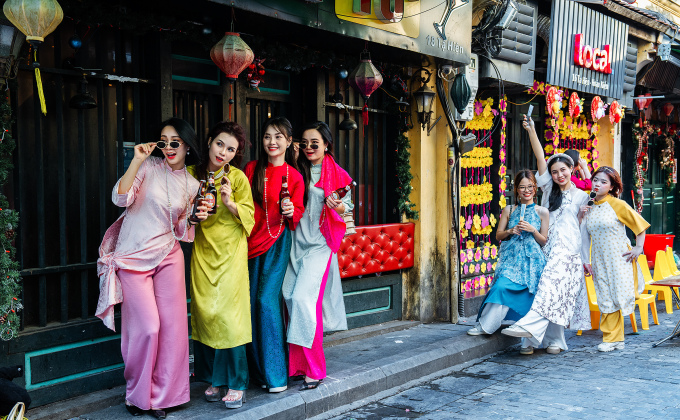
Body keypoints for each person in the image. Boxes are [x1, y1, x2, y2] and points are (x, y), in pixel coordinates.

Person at [95, 118, 205, 419]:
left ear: (186, 145)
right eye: (163, 141)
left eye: (174, 142)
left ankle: (164, 398)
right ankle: (137, 395)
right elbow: (120, 198)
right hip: (133, 257)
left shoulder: (194, 184)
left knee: (172, 330)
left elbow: (182, 229)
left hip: (169, 255)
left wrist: (194, 219)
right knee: (147, 328)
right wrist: (137, 159)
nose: (168, 147)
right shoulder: (147, 167)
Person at [501, 116, 591, 354]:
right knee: (547, 292)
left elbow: (584, 230)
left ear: (572, 169)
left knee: (556, 292)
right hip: (546, 248)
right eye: (555, 171)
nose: (559, 175)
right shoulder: (549, 189)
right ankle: (533, 341)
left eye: (563, 170)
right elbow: (540, 157)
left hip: (569, 251)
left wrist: (585, 258)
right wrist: (531, 129)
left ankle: (546, 338)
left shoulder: (583, 196)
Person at [188, 122, 255, 408]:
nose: (223, 152)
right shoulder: (192, 175)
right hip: (203, 252)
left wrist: (229, 202)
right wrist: (193, 215)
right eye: (220, 144)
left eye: (231, 149)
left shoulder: (237, 178)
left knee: (230, 317)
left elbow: (250, 216)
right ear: (209, 141)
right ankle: (215, 378)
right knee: (207, 313)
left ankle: (238, 382)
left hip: (230, 252)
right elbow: (179, 211)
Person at [283, 121, 351, 390]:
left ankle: (316, 368)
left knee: (303, 300)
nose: (309, 147)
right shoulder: (294, 170)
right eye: (304, 142)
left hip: (319, 245)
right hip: (294, 242)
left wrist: (340, 207)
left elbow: (348, 210)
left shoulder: (337, 174)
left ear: (326, 145)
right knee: (289, 297)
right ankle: (298, 366)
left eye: (315, 143)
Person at [244, 117, 305, 393]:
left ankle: (277, 375)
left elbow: (299, 211)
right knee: (249, 304)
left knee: (266, 301)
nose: (272, 142)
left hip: (278, 240)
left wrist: (293, 212)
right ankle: (258, 373)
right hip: (248, 243)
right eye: (268, 136)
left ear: (289, 142)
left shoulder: (295, 176)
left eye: (279, 137)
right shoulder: (251, 169)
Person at [468, 170, 549, 355]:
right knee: (501, 288)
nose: (526, 190)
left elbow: (544, 240)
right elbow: (498, 235)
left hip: (532, 262)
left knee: (530, 296)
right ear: (516, 190)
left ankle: (527, 340)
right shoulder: (509, 209)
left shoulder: (542, 212)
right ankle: (485, 326)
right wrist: (511, 230)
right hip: (511, 259)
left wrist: (531, 230)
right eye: (522, 187)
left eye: (530, 186)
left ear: (535, 188)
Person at [580, 166, 650, 352]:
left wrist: (638, 248)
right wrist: (586, 260)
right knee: (605, 296)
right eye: (596, 180)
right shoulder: (590, 204)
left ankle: (613, 338)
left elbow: (640, 226)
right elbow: (584, 235)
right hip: (599, 259)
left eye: (604, 182)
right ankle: (613, 339)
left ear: (611, 187)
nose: (598, 184)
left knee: (618, 295)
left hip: (620, 258)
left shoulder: (618, 204)